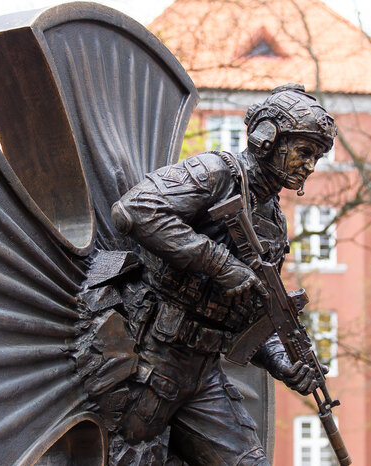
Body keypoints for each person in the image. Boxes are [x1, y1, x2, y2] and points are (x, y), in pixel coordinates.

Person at [108, 83, 337, 465]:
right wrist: (220, 263)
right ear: (269, 137)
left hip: (202, 375)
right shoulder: (216, 173)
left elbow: (255, 315)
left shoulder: (274, 226)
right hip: (147, 360)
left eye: (317, 156)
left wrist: (283, 360)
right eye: (304, 151)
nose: (310, 166)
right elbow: (136, 210)